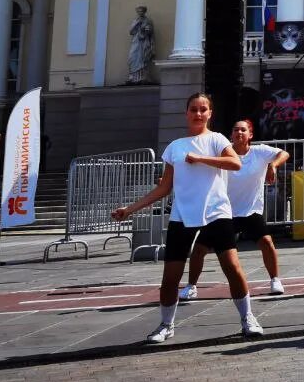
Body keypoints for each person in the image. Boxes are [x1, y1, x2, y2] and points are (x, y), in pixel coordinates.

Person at [112, 92, 262, 343]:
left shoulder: (216, 139)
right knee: (171, 275)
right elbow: (164, 188)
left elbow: (235, 162)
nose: (198, 114)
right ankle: (166, 325)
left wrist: (201, 159)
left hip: (216, 212)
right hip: (182, 216)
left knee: (232, 268)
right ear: (187, 113)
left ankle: (248, 319)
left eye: (203, 109)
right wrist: (129, 210)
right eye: (194, 109)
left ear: (210, 114)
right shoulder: (175, 147)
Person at [179, 118, 291, 300]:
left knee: (266, 242)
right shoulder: (223, 152)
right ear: (231, 134)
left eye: (243, 130)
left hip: (250, 211)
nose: (239, 133)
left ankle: (275, 280)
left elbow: (284, 153)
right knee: (199, 249)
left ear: (250, 135)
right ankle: (191, 286)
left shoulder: (260, 152)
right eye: (235, 130)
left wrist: (273, 165)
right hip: (223, 212)